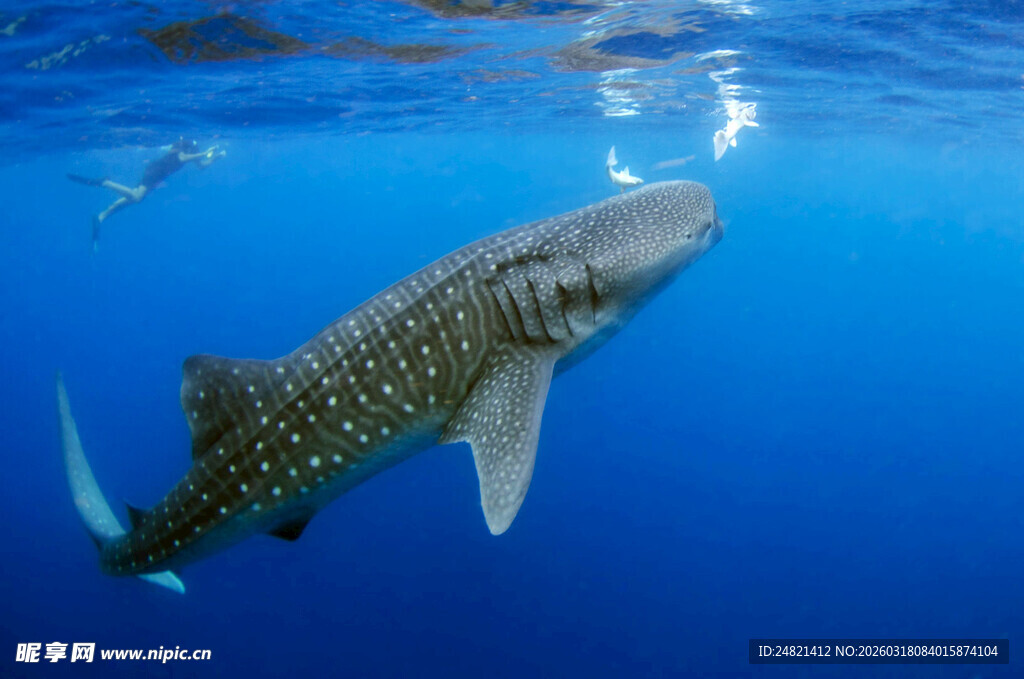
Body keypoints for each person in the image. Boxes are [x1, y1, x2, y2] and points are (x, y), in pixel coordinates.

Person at [67, 137, 226, 251]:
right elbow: (184, 157)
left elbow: (202, 166)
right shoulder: (183, 150)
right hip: (155, 171)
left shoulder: (189, 151)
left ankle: (102, 216)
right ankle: (104, 182)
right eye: (196, 150)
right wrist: (204, 152)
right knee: (136, 197)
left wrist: (216, 157)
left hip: (157, 173)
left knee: (133, 197)